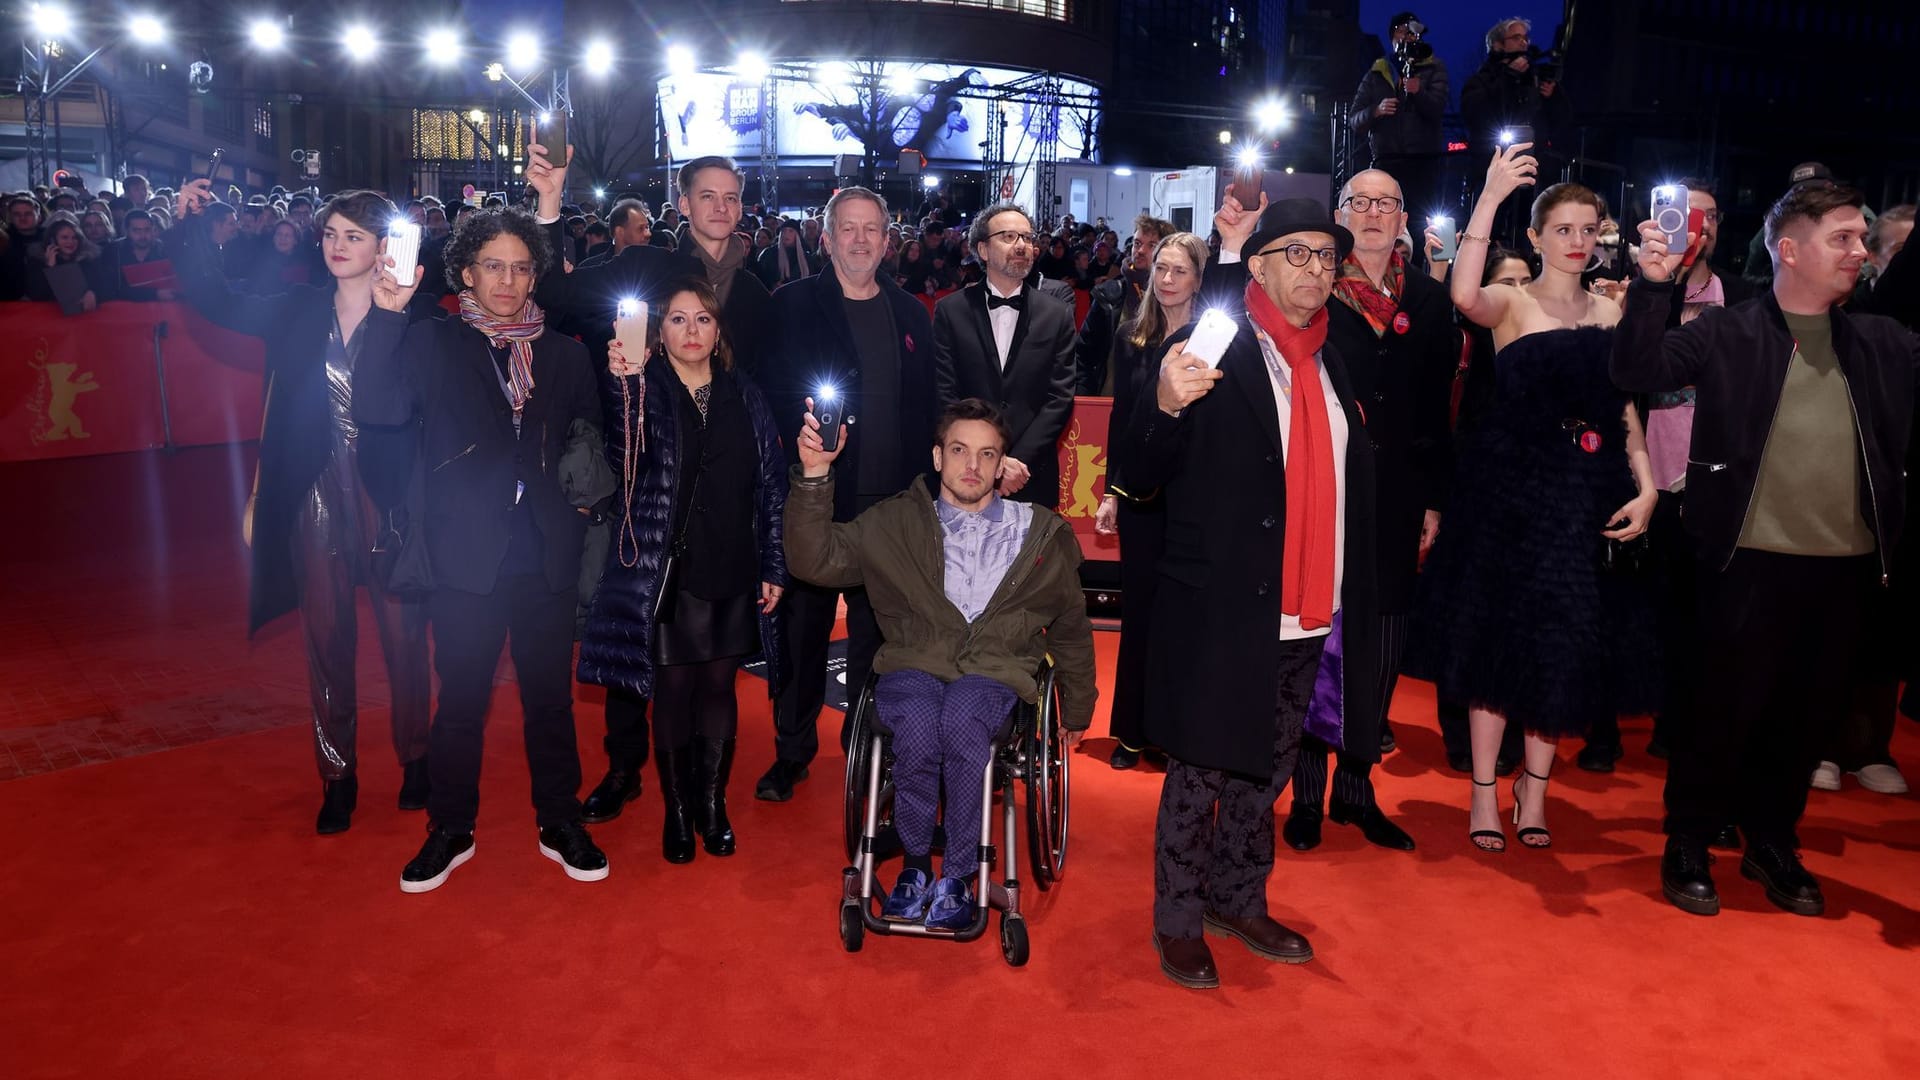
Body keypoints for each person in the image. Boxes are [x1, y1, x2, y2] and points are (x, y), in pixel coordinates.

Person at [1619, 180, 1918, 918]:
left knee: (1806, 715)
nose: (1859, 250)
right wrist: (1651, 290)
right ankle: (1688, 838)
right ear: (1789, 250)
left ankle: (1772, 840)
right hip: (1741, 560)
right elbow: (1636, 373)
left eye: (1862, 237)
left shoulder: (1883, 341)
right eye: (1841, 237)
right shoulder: (1728, 331)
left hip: (1845, 568)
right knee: (1718, 707)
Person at [1125, 198, 1381, 990]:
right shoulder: (1214, 340)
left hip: (1308, 603)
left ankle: (1238, 898)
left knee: (1265, 769)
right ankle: (1177, 917)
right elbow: (1138, 471)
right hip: (1223, 600)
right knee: (1202, 764)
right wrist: (1163, 407)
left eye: (1326, 257)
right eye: (1297, 254)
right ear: (1259, 267)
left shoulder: (1339, 356)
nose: (1315, 270)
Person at [352, 201, 611, 894]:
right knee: (461, 699)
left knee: (549, 701)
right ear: (466, 271)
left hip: (545, 553)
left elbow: (588, 433)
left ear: (536, 276)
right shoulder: (431, 341)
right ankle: (450, 826)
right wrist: (383, 313)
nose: (508, 281)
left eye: (521, 268)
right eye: (493, 266)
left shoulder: (562, 353)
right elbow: (374, 409)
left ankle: (560, 819)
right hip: (464, 552)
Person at [1416, 147, 1661, 854]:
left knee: (1562, 646)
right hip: (1510, 494)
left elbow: (1625, 416)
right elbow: (1462, 296)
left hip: (1587, 496)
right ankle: (1486, 792)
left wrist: (1646, 486)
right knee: (1499, 642)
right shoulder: (1511, 302)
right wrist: (1489, 197)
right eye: (1563, 229)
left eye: (1589, 229)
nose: (1578, 241)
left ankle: (1538, 791)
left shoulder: (1614, 315)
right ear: (1537, 236)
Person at [170, 180, 433, 836]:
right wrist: (192, 231)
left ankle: (419, 759)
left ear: (383, 248)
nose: (338, 247)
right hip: (313, 491)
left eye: (355, 236)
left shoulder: (416, 318)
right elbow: (214, 298)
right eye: (331, 234)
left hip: (389, 498)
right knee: (326, 639)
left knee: (406, 640)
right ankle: (336, 776)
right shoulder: (295, 308)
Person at [785, 397, 1096, 930]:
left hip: (994, 669)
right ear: (937, 457)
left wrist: (1078, 706)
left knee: (961, 719)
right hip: (914, 660)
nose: (971, 466)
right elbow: (815, 559)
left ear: (1003, 466)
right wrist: (815, 477)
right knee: (921, 726)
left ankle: (955, 873)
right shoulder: (894, 523)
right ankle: (912, 867)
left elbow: (1070, 626)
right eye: (959, 451)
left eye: (986, 454)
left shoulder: (1041, 535)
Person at [1270, 168, 1455, 853]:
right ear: (1341, 215)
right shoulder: (1316, 291)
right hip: (1329, 484)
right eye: (1361, 202)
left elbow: (1442, 405)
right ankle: (1309, 794)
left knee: (1382, 639)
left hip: (1404, 491)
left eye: (1387, 201)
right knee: (1325, 634)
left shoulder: (1431, 302)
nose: (1375, 212)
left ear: (1404, 216)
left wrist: (1437, 496)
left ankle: (1358, 788)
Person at [576, 279, 789, 862]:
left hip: (732, 565)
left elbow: (772, 487)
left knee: (720, 689)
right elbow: (624, 462)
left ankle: (711, 803)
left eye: (702, 320)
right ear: (658, 331)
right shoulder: (642, 390)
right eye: (676, 320)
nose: (691, 331)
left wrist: (773, 563)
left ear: (718, 331)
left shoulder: (747, 396)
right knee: (672, 691)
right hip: (666, 572)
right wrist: (624, 388)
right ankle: (675, 808)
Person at [754, 187, 939, 802]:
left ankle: (866, 754)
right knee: (803, 632)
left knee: (876, 641)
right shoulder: (790, 305)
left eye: (872, 230)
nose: (860, 241)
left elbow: (927, 409)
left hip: (890, 509)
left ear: (889, 241)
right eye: (848, 229)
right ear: (826, 238)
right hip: (817, 500)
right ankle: (792, 749)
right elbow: (768, 394)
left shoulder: (913, 314)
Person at [1583, 179, 1754, 774]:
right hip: (1634, 473)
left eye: (1701, 218)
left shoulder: (1745, 299)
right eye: (1678, 217)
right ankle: (1601, 732)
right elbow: (1619, 377)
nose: (1691, 228)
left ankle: (1677, 727)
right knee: (1615, 609)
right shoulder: (1629, 293)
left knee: (1695, 616)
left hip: (1708, 483)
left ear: (1716, 226)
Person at [1094, 231, 1208, 770]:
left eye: (1179, 271)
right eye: (1161, 268)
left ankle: (1170, 732)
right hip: (1138, 493)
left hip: (1190, 496)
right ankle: (1132, 734)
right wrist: (1111, 492)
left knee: (1180, 620)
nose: (1166, 280)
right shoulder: (1129, 336)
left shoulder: (1210, 340)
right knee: (1139, 614)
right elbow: (1121, 419)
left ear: (1199, 279)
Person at [932, 202, 1078, 510]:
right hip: (966, 472)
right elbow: (945, 391)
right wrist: (986, 458)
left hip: (1029, 474)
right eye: (1009, 237)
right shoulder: (951, 311)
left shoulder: (1057, 314)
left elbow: (1060, 397)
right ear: (982, 250)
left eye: (1027, 237)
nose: (1022, 245)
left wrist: (1015, 461)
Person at [1460, 17, 1573, 246]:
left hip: (1533, 169)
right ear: (1498, 44)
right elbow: (1475, 114)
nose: (1523, 42)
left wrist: (1553, 96)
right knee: (1489, 227)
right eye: (1516, 37)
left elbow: (1563, 119)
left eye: (1525, 38)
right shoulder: (1483, 78)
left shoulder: (1534, 77)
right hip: (1491, 166)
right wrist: (1507, 76)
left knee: (1528, 227)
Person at [1350, 12, 1450, 216]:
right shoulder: (1377, 72)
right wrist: (1376, 110)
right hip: (1386, 161)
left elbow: (1438, 109)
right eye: (1401, 31)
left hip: (1423, 164)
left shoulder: (1434, 68)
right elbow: (1354, 119)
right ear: (1391, 37)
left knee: (1422, 220)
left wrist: (1418, 92)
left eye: (1411, 33)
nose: (1406, 37)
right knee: (1388, 217)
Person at [25, 212, 113, 312]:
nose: (70, 242)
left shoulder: (88, 260)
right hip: (50, 315)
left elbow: (105, 287)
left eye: (74, 237)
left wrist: (93, 293)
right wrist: (50, 268)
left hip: (85, 315)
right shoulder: (37, 261)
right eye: (64, 237)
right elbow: (38, 295)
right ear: (52, 240)